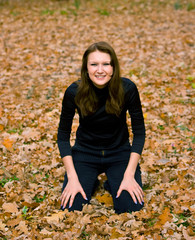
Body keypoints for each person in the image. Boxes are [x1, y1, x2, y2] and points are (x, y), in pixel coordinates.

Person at [57, 41, 145, 214]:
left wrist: (129, 175)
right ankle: (91, 180)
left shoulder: (127, 89)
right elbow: (62, 136)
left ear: (113, 67)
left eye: (106, 64)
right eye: (94, 64)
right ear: (86, 68)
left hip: (119, 153)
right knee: (71, 207)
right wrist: (72, 178)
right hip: (85, 153)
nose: (100, 70)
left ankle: (113, 181)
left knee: (131, 208)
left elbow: (140, 133)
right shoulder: (74, 92)